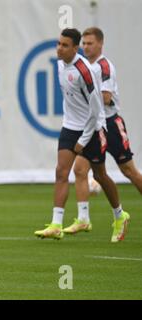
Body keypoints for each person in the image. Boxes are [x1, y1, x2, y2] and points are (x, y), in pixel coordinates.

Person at [34, 28, 130, 243]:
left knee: (100, 176)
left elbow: (96, 113)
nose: (59, 48)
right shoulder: (59, 64)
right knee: (61, 171)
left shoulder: (84, 71)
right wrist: (72, 130)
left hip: (93, 129)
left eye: (65, 45)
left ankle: (119, 215)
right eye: (58, 44)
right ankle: (56, 224)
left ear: (75, 49)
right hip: (70, 126)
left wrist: (83, 141)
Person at [64, 27, 142, 234]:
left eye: (90, 43)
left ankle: (118, 216)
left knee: (129, 171)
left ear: (100, 44)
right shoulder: (83, 67)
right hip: (94, 126)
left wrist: (86, 100)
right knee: (81, 170)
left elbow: (106, 98)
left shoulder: (104, 67)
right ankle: (83, 218)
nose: (86, 47)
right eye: (84, 44)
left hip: (110, 124)